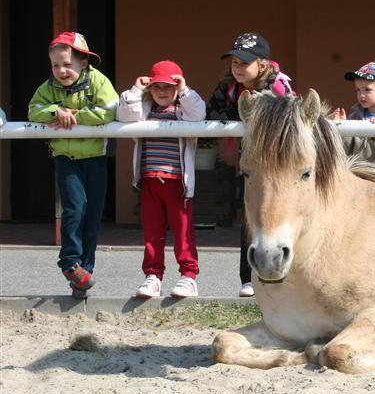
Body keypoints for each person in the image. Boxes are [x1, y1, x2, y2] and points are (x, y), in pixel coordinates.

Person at [27, 31, 118, 298]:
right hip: (66, 159)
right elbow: (33, 110)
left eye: (67, 64)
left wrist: (75, 117)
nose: (61, 70)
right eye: (56, 65)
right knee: (74, 210)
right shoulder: (48, 87)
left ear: (84, 62)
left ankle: (83, 274)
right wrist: (56, 111)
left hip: (96, 158)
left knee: (93, 216)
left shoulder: (99, 81)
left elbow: (110, 111)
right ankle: (69, 262)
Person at [206, 32, 293, 298]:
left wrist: (245, 114)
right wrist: (233, 115)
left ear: (263, 65)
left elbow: (286, 115)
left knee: (279, 215)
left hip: (278, 165)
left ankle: (286, 276)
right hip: (251, 164)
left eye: (244, 63)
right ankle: (248, 278)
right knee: (249, 215)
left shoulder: (280, 86)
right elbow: (212, 111)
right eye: (234, 62)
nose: (238, 68)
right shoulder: (227, 86)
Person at [117, 60, 206, 298]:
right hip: (150, 180)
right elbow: (125, 114)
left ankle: (188, 276)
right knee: (152, 232)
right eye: (157, 87)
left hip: (178, 182)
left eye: (169, 87)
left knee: (183, 232)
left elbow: (199, 113)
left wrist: (185, 90)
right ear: (150, 89)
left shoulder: (182, 111)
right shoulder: (144, 109)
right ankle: (153, 276)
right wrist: (136, 90)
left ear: (177, 88)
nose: (163, 92)